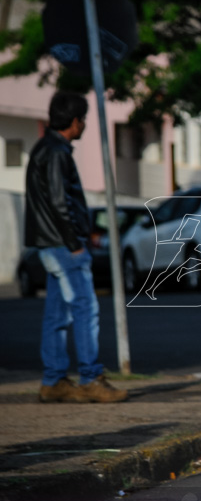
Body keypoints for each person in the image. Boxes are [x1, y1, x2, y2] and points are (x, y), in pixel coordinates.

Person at [24, 91, 128, 403]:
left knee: (57, 314)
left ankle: (54, 381)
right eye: (82, 119)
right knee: (85, 308)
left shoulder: (44, 148)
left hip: (49, 244)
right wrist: (74, 244)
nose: (83, 125)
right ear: (74, 121)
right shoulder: (57, 152)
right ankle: (91, 377)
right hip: (63, 246)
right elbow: (60, 202)